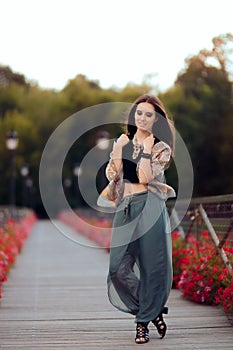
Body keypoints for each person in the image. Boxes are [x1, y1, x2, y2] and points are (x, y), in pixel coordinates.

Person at [105, 94, 176, 344]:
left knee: (152, 269)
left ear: (156, 120)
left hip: (151, 208)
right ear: (133, 115)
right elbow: (114, 177)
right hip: (126, 208)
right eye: (139, 113)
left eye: (148, 115)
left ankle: (142, 323)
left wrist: (145, 150)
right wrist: (116, 150)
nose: (142, 118)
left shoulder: (160, 148)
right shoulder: (122, 142)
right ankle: (152, 309)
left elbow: (145, 178)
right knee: (117, 269)